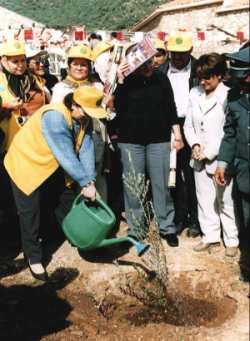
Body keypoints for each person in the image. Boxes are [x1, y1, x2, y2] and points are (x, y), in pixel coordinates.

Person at [4, 86, 108, 281]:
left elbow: (85, 148)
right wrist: (85, 182)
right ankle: (33, 256)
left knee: (67, 202)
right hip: (26, 164)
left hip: (50, 165)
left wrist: (90, 179)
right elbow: (65, 153)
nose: (88, 116)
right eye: (86, 111)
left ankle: (80, 240)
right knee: (30, 211)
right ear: (75, 105)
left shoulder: (82, 118)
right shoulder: (55, 117)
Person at [114, 56, 184, 247]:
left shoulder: (161, 78)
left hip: (159, 139)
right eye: (142, 63)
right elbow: (117, 109)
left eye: (150, 61)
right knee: (134, 187)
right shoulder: (125, 81)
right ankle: (137, 228)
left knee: (162, 185)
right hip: (131, 141)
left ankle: (166, 226)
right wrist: (120, 81)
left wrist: (177, 135)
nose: (147, 66)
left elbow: (170, 107)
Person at [184, 53, 239, 255]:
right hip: (198, 157)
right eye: (201, 77)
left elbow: (229, 131)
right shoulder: (194, 93)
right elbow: (188, 124)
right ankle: (210, 236)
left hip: (220, 158)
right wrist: (196, 145)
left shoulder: (229, 95)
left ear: (219, 76)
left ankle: (231, 240)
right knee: (205, 199)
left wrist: (209, 152)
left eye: (208, 77)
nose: (203, 81)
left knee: (225, 200)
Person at [51, 44, 109, 201]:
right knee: (75, 176)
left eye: (83, 64)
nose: (79, 68)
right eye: (75, 64)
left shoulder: (97, 86)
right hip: (72, 139)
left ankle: (100, 216)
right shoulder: (60, 88)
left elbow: (106, 112)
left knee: (97, 174)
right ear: (68, 65)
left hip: (96, 136)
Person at [158, 31, 200, 237]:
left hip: (193, 126)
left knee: (193, 175)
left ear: (191, 51)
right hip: (169, 126)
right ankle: (178, 217)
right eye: (174, 53)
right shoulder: (161, 70)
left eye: (182, 53)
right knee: (173, 175)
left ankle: (196, 218)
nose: (178, 57)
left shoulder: (200, 70)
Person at [215, 47, 250, 280]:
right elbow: (229, 133)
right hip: (244, 170)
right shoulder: (234, 97)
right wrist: (223, 163)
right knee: (246, 219)